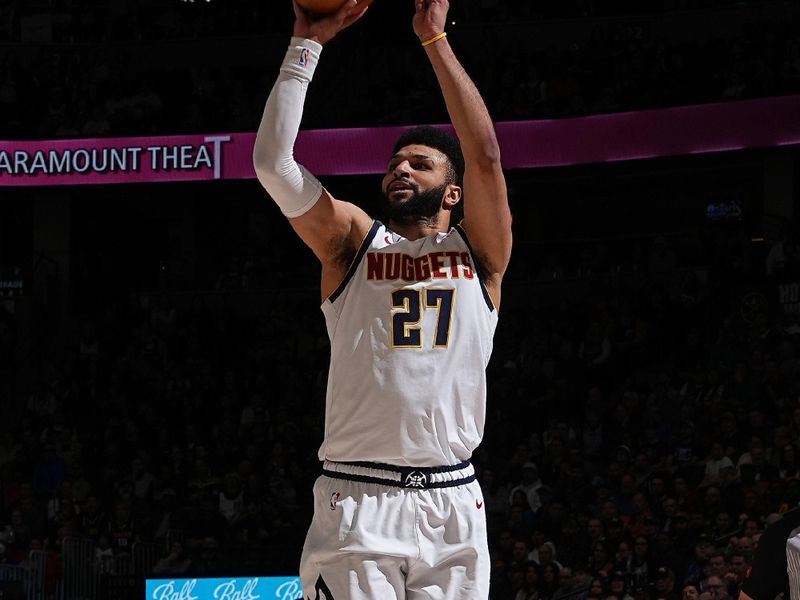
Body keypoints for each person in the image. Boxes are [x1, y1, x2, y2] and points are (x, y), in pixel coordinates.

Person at [252, 0, 512, 597]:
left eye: (420, 165)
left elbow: (487, 158)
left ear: (452, 193)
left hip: (452, 500)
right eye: (395, 163)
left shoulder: (482, 256)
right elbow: (272, 164)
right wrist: (305, 43)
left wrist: (435, 40)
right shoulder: (352, 244)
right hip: (358, 497)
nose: (401, 169)